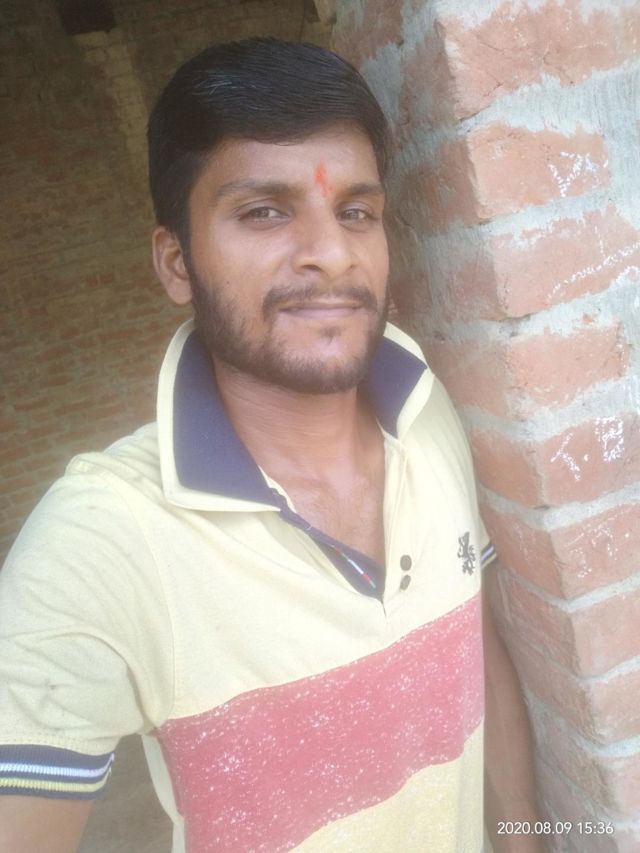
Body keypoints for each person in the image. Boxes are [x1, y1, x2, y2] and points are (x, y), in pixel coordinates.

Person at [0, 38, 542, 853]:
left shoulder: (429, 413)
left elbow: (481, 656)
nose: (333, 253)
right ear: (176, 262)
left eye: (356, 211)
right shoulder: (102, 539)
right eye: (264, 211)